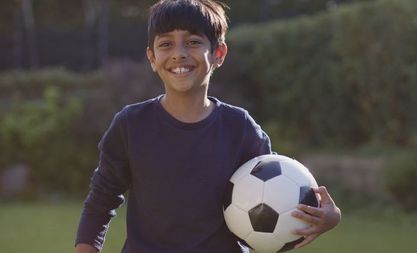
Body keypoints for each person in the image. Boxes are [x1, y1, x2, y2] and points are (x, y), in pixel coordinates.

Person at [75, 0, 341, 252]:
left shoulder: (240, 128)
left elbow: (279, 196)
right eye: (166, 44)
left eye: (192, 42)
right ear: (152, 58)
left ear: (218, 53)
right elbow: (100, 202)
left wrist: (330, 216)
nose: (179, 54)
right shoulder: (131, 125)